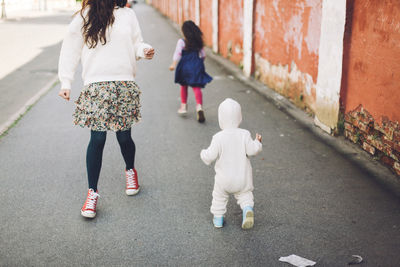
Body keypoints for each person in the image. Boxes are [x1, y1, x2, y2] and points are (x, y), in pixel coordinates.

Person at [58, 0, 154, 218]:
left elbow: (136, 43)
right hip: (96, 85)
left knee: (124, 137)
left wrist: (144, 49)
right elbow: (70, 49)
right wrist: (66, 81)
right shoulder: (85, 15)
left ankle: (130, 170)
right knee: (98, 139)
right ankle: (92, 193)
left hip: (123, 83)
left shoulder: (127, 15)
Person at [200, 98, 262, 229]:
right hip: (242, 179)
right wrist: (258, 142)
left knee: (219, 197)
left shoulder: (218, 137)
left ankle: (218, 219)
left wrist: (203, 153)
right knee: (245, 195)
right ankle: (247, 210)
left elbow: (210, 156)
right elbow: (252, 150)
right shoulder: (245, 134)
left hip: (224, 180)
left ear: (220, 119)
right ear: (240, 118)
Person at [169, 20, 212, 123]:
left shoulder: (182, 42)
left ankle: (183, 107)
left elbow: (178, 54)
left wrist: (173, 65)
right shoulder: (199, 42)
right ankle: (199, 107)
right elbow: (203, 55)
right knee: (196, 87)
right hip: (196, 65)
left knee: (183, 86)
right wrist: (200, 63)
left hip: (184, 67)